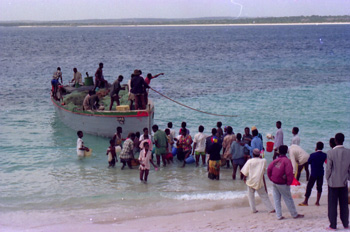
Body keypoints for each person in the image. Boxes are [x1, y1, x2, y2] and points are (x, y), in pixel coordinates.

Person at [267, 145, 304, 220]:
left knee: (276, 199)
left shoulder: (275, 160)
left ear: (279, 152)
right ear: (287, 151)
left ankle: (279, 215)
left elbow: (269, 169)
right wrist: (289, 182)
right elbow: (289, 173)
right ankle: (294, 214)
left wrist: (270, 178)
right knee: (288, 199)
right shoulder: (287, 161)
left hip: (274, 182)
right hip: (282, 183)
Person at [326, 133, 350, 230]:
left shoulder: (330, 153)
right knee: (344, 204)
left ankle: (333, 225)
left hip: (333, 182)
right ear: (343, 140)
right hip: (343, 182)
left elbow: (328, 169)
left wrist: (327, 178)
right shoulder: (348, 152)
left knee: (332, 205)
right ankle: (345, 224)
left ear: (335, 140)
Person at [241, 148, 275, 214]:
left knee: (251, 197)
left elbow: (245, 172)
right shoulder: (263, 161)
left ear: (253, 154)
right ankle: (270, 209)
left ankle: (253, 210)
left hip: (250, 181)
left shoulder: (249, 161)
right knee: (264, 196)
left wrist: (244, 178)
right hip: (259, 181)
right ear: (259, 154)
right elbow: (262, 172)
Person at [299, 142, 327, 206]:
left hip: (313, 173)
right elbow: (326, 162)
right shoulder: (324, 155)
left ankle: (306, 201)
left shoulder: (312, 155)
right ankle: (317, 202)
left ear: (316, 147)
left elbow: (309, 162)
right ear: (322, 147)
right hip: (321, 173)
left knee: (309, 187)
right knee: (319, 187)